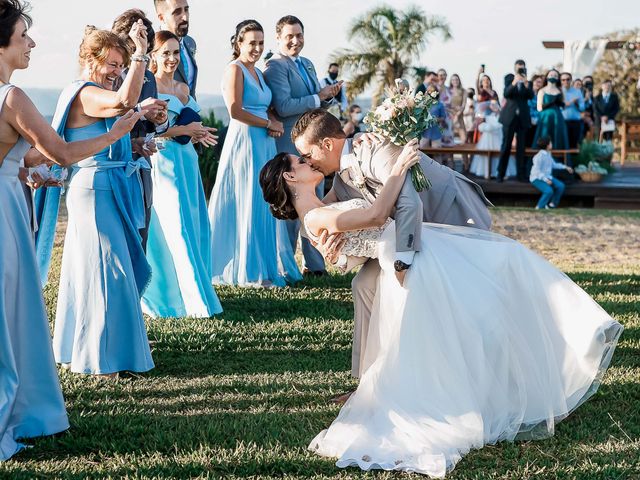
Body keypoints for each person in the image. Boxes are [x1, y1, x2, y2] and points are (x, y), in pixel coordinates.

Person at [259, 139, 622, 477]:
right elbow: (376, 214)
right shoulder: (315, 219)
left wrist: (346, 249)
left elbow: (352, 244)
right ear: (291, 176)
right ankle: (553, 352)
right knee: (478, 300)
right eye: (300, 161)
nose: (308, 162)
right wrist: (399, 167)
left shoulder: (322, 209)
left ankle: (564, 339)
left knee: (495, 277)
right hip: (411, 261)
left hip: (417, 249)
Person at [0, 0, 142, 459]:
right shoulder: (12, 97)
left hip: (10, 194)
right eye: (24, 37)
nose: (32, 44)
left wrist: (24, 169)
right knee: (13, 308)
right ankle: (21, 408)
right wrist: (115, 133)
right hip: (5, 213)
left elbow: (23, 156)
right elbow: (61, 151)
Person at [284, 109, 492, 381]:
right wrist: (334, 250)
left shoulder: (373, 148)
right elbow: (331, 220)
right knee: (363, 285)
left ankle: (468, 370)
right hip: (407, 233)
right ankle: (366, 382)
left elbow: (409, 203)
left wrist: (403, 261)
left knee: (468, 300)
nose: (308, 163)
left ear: (327, 145)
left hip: (452, 213)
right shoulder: (340, 180)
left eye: (307, 155)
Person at [46, 24, 155, 376]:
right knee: (109, 274)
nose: (118, 73)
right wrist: (141, 52)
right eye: (112, 64)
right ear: (91, 60)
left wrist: (134, 144)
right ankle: (101, 360)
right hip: (95, 190)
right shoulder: (85, 93)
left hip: (107, 185)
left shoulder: (90, 93)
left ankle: (96, 352)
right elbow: (124, 101)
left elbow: (103, 134)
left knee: (98, 273)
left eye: (122, 66)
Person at [208, 20, 302, 287]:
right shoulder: (234, 70)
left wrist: (272, 121)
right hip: (245, 142)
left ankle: (266, 262)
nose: (257, 48)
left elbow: (265, 106)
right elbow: (235, 110)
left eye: (261, 43)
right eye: (252, 43)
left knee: (264, 199)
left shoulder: (259, 73)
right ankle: (249, 269)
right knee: (247, 197)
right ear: (239, 43)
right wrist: (267, 124)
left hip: (263, 142)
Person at [141, 30, 222, 317]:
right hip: (163, 160)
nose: (172, 59)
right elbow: (153, 131)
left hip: (187, 160)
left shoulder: (183, 88)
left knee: (194, 220)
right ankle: (179, 298)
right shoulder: (148, 87)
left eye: (176, 53)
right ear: (154, 55)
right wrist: (184, 130)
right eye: (166, 53)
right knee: (175, 225)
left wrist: (197, 134)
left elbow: (189, 124)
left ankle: (199, 291)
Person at [263, 15, 342, 276]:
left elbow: (314, 100)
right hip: (289, 144)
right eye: (289, 36)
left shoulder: (306, 63)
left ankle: (315, 264)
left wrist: (328, 98)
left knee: (314, 201)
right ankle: (286, 265)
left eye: (299, 35)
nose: (295, 40)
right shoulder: (275, 66)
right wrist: (316, 97)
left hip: (312, 145)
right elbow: (284, 106)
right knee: (292, 203)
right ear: (278, 38)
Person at [112, 8, 169, 251]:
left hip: (141, 163)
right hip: (116, 161)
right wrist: (138, 107)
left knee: (141, 231)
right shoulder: (112, 74)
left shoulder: (149, 77)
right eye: (138, 40)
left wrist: (159, 121)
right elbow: (111, 112)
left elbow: (153, 126)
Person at [496, 59, 534, 183]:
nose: (521, 70)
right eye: (519, 68)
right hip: (509, 117)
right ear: (515, 68)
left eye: (522, 68)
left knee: (521, 148)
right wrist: (514, 82)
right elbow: (506, 94)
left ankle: (521, 175)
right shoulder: (509, 78)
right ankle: (500, 174)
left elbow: (530, 96)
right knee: (506, 146)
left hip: (522, 118)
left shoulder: (528, 81)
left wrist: (526, 84)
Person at [154, 0, 197, 98]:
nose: (185, 17)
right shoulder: (151, 47)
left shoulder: (190, 43)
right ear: (161, 18)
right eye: (177, 12)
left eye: (186, 10)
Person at [469, 99, 516, 178]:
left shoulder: (501, 114)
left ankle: (500, 172)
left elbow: (500, 125)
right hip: (487, 139)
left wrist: (491, 127)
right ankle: (487, 172)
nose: (494, 106)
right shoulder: (485, 115)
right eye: (492, 105)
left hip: (498, 137)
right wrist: (486, 127)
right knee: (485, 155)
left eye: (495, 105)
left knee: (500, 154)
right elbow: (480, 126)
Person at [530, 135, 573, 209]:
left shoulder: (548, 154)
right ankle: (539, 206)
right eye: (550, 143)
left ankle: (552, 205)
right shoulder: (539, 157)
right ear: (547, 145)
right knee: (549, 191)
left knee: (560, 186)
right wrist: (546, 180)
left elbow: (554, 164)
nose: (551, 144)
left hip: (548, 176)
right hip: (537, 178)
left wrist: (565, 167)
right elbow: (537, 171)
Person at [533, 69, 569, 151]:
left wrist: (560, 101)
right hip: (545, 119)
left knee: (558, 137)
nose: (553, 77)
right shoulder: (542, 90)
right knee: (544, 137)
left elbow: (564, 105)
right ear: (547, 76)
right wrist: (551, 103)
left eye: (555, 75)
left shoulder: (560, 91)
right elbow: (539, 107)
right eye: (551, 75)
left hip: (557, 118)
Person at [560, 72, 585, 149]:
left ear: (571, 80)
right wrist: (567, 103)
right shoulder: (558, 92)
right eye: (563, 80)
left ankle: (572, 161)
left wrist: (576, 103)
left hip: (575, 122)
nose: (565, 82)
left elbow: (582, 108)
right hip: (562, 122)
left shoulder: (577, 92)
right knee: (562, 145)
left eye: (568, 79)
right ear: (560, 81)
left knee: (573, 145)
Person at [448, 73, 466, 143]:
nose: (455, 81)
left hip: (459, 117)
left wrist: (457, 115)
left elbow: (463, 105)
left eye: (456, 79)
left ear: (459, 80)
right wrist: (452, 112)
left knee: (463, 139)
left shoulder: (463, 91)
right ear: (451, 81)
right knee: (450, 139)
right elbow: (446, 105)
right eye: (453, 80)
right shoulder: (448, 90)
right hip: (450, 116)